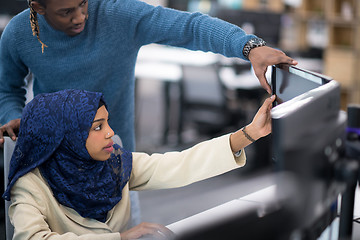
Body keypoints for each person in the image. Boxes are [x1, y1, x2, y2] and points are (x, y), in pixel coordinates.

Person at [0, 0, 296, 228]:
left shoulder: (118, 15)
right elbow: (7, 89)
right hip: (53, 167)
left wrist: (249, 47)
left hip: (113, 165)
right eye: (65, 11)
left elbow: (188, 27)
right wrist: (13, 114)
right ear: (37, 7)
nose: (80, 17)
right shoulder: (17, 35)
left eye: (83, 4)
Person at [3, 89, 274, 240]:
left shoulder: (115, 163)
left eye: (107, 122)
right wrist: (120, 239)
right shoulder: (30, 185)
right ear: (66, 139)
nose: (111, 133)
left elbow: (180, 164)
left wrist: (248, 134)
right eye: (98, 127)